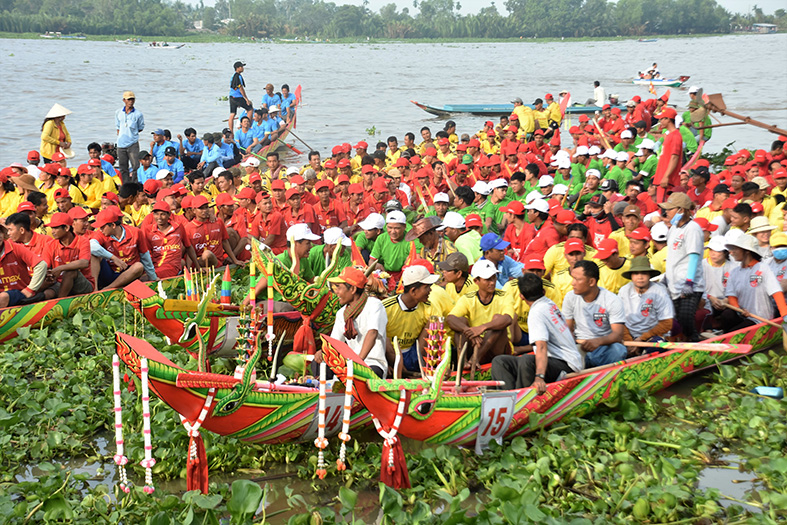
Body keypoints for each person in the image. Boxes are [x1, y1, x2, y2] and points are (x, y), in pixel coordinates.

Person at [491, 273, 584, 392]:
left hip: (567, 364)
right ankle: (507, 397)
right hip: (552, 360)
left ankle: (521, 402)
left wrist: (539, 377)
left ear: (521, 296)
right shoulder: (549, 303)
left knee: (527, 361)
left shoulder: (537, 312)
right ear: (543, 292)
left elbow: (541, 347)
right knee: (500, 361)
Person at [314, 267, 388, 379]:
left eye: (338, 288)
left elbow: (372, 333)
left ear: (353, 289)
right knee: (318, 364)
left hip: (372, 363)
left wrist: (358, 363)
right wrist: (323, 351)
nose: (336, 292)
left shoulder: (374, 305)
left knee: (366, 375)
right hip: (349, 364)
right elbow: (335, 343)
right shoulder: (341, 313)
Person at [446, 259, 516, 368]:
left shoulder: (505, 296)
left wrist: (482, 328)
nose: (492, 282)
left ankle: (475, 359)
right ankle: (463, 362)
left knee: (498, 320)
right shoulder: (468, 298)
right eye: (488, 279)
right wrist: (468, 331)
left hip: (497, 347)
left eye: (494, 278)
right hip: (475, 343)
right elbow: (450, 318)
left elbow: (508, 319)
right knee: (460, 322)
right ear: (476, 281)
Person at [563, 260, 627, 368]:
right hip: (580, 346)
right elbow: (567, 328)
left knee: (619, 350)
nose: (572, 283)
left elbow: (617, 335)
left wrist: (598, 341)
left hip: (604, 346)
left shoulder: (612, 300)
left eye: (577, 279)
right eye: (572, 278)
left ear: (591, 282)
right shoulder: (570, 297)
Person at [660, 192, 706, 341]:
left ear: (681, 210)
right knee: (678, 322)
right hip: (674, 284)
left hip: (689, 285)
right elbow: (674, 256)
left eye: (670, 209)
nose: (666, 212)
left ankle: (695, 343)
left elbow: (693, 256)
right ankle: (686, 345)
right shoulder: (673, 229)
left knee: (686, 320)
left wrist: (689, 282)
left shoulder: (692, 228)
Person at [720, 234, 787, 331]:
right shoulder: (734, 272)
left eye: (736, 249)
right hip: (744, 314)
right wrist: (739, 310)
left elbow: (776, 292)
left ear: (747, 251)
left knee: (735, 330)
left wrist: (785, 315)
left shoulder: (763, 268)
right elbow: (732, 296)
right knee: (727, 315)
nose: (731, 252)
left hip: (760, 318)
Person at [382, 265, 440, 376]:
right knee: (383, 336)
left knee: (434, 323)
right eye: (427, 287)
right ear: (413, 291)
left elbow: (436, 337)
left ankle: (424, 368)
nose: (430, 290)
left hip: (414, 353)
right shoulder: (385, 307)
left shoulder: (429, 307)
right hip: (390, 354)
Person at [90, 208, 157, 289]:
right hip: (110, 272)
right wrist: (113, 258)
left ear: (113, 225)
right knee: (94, 255)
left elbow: (145, 256)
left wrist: (153, 277)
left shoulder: (135, 232)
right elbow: (91, 246)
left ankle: (109, 288)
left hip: (128, 274)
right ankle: (95, 289)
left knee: (139, 266)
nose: (100, 229)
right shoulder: (100, 233)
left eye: (102, 227)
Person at [618, 256, 674, 345]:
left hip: (653, 336)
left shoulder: (660, 292)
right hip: (628, 337)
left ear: (649, 275)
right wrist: (629, 341)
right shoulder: (623, 291)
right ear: (631, 276)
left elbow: (667, 323)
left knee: (657, 347)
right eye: (636, 273)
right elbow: (619, 320)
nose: (640, 277)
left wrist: (642, 338)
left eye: (644, 273)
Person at [144, 200, 197, 279]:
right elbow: (145, 252)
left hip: (172, 266)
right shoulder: (148, 230)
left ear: (169, 215)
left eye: (162, 214)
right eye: (156, 214)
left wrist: (198, 267)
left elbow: (188, 246)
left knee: (145, 278)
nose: (159, 217)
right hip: (154, 266)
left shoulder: (178, 227)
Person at [184, 195, 241, 268]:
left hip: (217, 262)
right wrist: (190, 269)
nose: (204, 210)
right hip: (200, 263)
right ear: (194, 210)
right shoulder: (188, 228)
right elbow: (189, 251)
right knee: (207, 254)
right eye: (201, 208)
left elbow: (225, 242)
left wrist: (235, 260)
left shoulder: (218, 222)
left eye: (206, 207)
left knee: (208, 254)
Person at [0, 223, 48, 307]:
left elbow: (41, 265)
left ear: (3, 234)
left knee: (3, 297)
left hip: (19, 292)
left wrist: (30, 289)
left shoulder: (15, 248)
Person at [115, 91, 145, 184]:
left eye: (132, 99)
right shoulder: (118, 112)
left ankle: (135, 185)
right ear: (124, 100)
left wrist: (131, 134)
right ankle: (126, 186)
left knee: (136, 166)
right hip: (121, 144)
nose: (131, 101)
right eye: (129, 99)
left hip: (133, 144)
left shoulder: (138, 114)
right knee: (123, 167)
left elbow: (140, 128)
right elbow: (118, 127)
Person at [228, 61, 252, 133]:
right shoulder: (238, 76)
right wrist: (246, 99)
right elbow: (241, 88)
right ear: (237, 68)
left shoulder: (233, 76)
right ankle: (248, 126)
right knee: (250, 108)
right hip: (238, 97)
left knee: (232, 114)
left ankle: (231, 132)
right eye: (241, 67)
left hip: (232, 97)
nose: (243, 68)